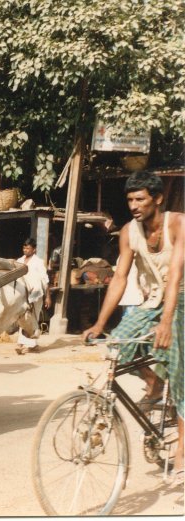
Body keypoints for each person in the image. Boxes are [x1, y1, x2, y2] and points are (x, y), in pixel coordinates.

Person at [82, 170, 184, 482]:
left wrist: (166, 323)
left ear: (158, 199)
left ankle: (182, 451)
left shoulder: (178, 224)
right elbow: (120, 278)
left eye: (140, 199)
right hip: (153, 299)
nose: (134, 206)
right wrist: (99, 324)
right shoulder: (129, 232)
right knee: (118, 344)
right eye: (130, 200)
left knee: (179, 367)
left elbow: (175, 275)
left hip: (181, 298)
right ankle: (154, 384)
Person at [15, 238, 51, 354]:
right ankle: (22, 342)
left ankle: (31, 344)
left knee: (33, 317)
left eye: (28, 248)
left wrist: (48, 296)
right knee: (23, 317)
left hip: (36, 293)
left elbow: (45, 279)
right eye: (24, 247)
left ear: (34, 249)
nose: (25, 250)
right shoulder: (19, 261)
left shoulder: (38, 262)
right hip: (23, 293)